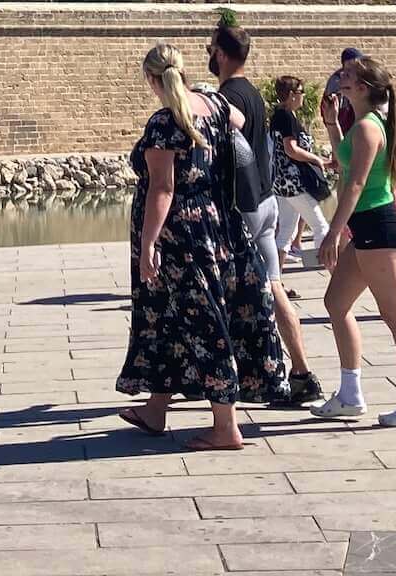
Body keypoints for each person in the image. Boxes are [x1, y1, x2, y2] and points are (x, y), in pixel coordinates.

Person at [114, 42, 285, 448]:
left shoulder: (163, 123)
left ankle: (226, 428)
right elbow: (240, 120)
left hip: (180, 239)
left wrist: (150, 243)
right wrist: (207, 96)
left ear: (151, 80)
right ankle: (155, 410)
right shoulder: (216, 107)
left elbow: (163, 188)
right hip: (219, 225)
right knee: (166, 318)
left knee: (203, 320)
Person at [310, 55, 396, 427]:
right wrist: (331, 124)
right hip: (367, 228)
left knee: (395, 316)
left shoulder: (368, 127)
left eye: (347, 77)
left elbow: (356, 183)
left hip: (378, 228)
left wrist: (333, 233)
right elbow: (343, 163)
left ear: (362, 88)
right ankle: (350, 394)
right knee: (335, 302)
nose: (340, 79)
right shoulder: (363, 124)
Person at [205, 23, 319, 408]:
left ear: (221, 53)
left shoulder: (230, 96)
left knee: (218, 294)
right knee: (274, 286)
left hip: (245, 208)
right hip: (266, 200)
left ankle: (222, 382)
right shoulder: (252, 91)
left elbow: (229, 134)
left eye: (210, 48)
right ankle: (301, 373)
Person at [268, 75, 330, 270]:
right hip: (293, 182)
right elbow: (291, 149)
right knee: (321, 226)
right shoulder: (286, 116)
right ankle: (327, 269)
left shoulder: (282, 115)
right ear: (291, 95)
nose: (303, 96)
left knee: (286, 230)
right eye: (301, 92)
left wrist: (324, 162)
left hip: (282, 182)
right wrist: (316, 159)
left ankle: (275, 280)